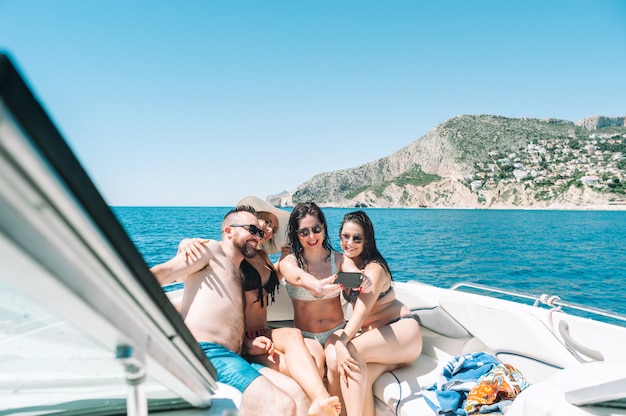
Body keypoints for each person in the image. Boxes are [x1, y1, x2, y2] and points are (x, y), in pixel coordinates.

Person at [150, 205, 330, 416]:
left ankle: (320, 398)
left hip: (236, 354)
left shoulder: (240, 265)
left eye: (260, 232)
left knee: (297, 395)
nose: (259, 235)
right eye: (252, 230)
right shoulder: (212, 250)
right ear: (228, 231)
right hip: (209, 354)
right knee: (281, 405)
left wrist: (246, 344)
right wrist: (185, 243)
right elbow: (166, 273)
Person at [324, 210, 423, 416]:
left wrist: (342, 342)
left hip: (401, 331)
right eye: (345, 237)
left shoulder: (374, 270)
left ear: (366, 240)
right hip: (381, 340)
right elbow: (328, 281)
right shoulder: (350, 268)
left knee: (349, 352)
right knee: (361, 376)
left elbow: (360, 312)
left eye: (357, 238)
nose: (350, 243)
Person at [276, 202, 371, 370]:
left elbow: (353, 275)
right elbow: (297, 277)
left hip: (336, 331)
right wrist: (316, 286)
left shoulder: (339, 259)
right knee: (313, 366)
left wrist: (363, 280)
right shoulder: (289, 261)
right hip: (305, 335)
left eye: (316, 229)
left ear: (323, 228)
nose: (311, 237)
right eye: (304, 232)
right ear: (296, 234)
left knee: (336, 362)